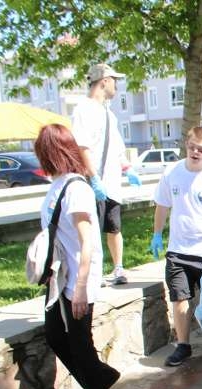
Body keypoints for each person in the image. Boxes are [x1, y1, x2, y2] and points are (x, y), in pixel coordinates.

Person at [35, 124, 120, 389]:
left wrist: (81, 287)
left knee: (80, 342)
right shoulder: (57, 185)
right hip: (61, 277)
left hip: (77, 279)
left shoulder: (77, 189)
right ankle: (101, 377)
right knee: (56, 336)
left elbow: (88, 243)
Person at [150, 126, 202, 367]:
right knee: (179, 299)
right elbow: (162, 205)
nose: (195, 152)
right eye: (192, 147)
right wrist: (157, 234)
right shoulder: (171, 172)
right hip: (178, 250)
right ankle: (183, 345)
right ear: (186, 144)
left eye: (201, 149)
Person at [72, 63, 130, 286]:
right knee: (91, 230)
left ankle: (118, 268)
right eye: (114, 80)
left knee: (114, 227)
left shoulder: (108, 113)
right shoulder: (83, 110)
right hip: (94, 182)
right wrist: (93, 177)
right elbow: (82, 146)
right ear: (104, 81)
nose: (116, 85)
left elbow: (116, 147)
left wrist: (126, 167)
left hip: (112, 183)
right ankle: (91, 273)